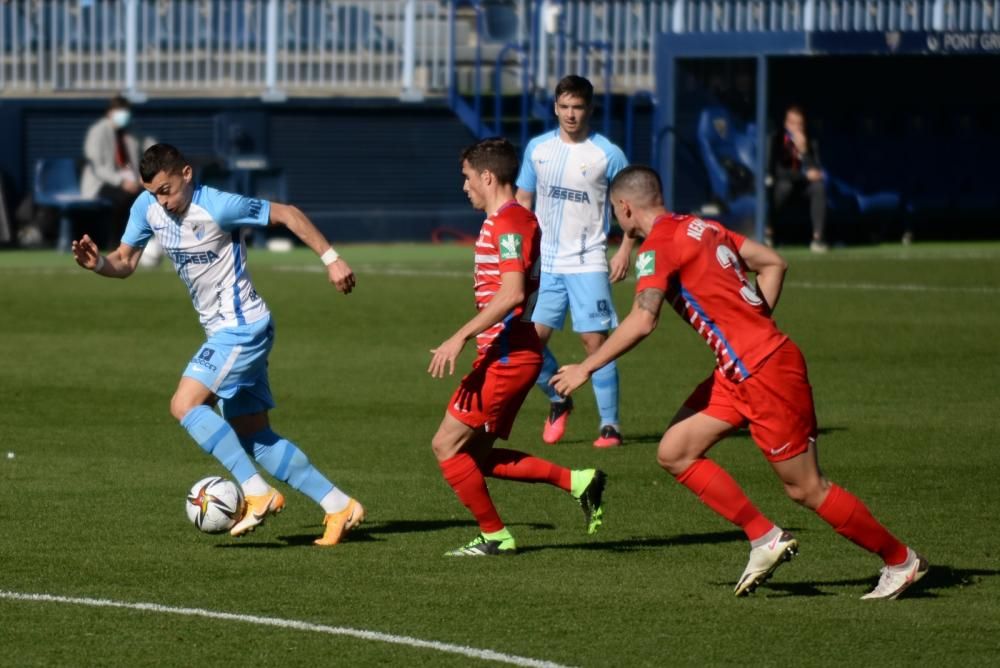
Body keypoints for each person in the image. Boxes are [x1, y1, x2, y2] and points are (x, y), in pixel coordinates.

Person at [552, 165, 927, 599]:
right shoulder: (702, 226)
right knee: (676, 451)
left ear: (625, 207)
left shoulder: (655, 248)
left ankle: (901, 560)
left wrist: (586, 367)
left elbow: (642, 320)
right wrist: (753, 324)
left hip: (764, 372)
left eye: (617, 214)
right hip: (739, 370)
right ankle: (764, 538)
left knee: (805, 487)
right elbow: (773, 263)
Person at [71, 143, 365, 546]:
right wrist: (99, 264)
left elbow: (288, 214)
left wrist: (331, 258)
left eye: (167, 189)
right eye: (153, 192)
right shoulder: (147, 208)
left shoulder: (219, 206)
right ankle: (339, 506)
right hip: (225, 333)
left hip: (243, 329)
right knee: (254, 436)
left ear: (187, 174)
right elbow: (125, 260)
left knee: (184, 404)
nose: (162, 200)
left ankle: (256, 493)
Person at [428, 137, 606, 556]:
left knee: (445, 446)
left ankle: (495, 536)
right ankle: (577, 482)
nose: (465, 186)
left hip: (506, 354)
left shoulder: (510, 222)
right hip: (508, 351)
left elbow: (510, 294)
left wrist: (459, 335)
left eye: (468, 177)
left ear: (487, 176)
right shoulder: (506, 221)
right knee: (475, 457)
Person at [515, 74, 633, 448]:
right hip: (545, 263)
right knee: (526, 344)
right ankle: (558, 398)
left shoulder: (608, 155)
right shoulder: (538, 149)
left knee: (594, 342)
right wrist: (520, 252)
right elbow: (521, 201)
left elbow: (633, 205)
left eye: (577, 107)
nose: (570, 114)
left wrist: (626, 249)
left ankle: (609, 425)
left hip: (589, 260)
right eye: (564, 107)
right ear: (555, 107)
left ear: (589, 109)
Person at [81, 95, 143, 248]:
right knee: (122, 197)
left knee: (146, 197)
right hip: (102, 183)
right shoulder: (98, 131)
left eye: (126, 112)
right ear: (110, 113)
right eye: (119, 111)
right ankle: (115, 243)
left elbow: (143, 152)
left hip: (130, 180)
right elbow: (97, 167)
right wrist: (122, 182)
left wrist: (142, 177)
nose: (124, 116)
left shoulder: (131, 132)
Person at [767, 105, 828, 252]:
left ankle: (818, 238)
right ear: (786, 123)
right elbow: (777, 171)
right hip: (784, 183)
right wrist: (803, 175)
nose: (795, 127)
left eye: (799, 124)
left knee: (818, 187)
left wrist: (804, 151)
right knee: (783, 187)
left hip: (803, 186)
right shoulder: (777, 140)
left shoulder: (810, 141)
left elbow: (815, 169)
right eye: (792, 123)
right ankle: (767, 232)